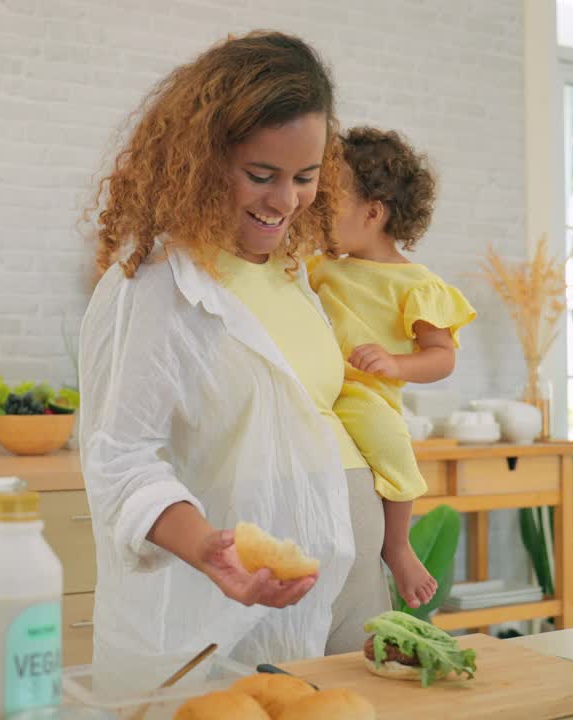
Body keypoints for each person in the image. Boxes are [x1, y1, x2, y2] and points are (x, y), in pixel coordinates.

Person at [78, 31, 373, 684]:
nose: (285, 202)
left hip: (327, 605)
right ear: (204, 160)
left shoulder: (293, 270)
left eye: (305, 177)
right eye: (261, 176)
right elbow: (119, 456)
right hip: (214, 623)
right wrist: (205, 548)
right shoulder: (159, 283)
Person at [308, 126, 477, 617]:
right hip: (321, 388)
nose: (316, 210)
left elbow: (442, 356)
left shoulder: (416, 284)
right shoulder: (322, 267)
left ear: (373, 212)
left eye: (328, 201)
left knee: (391, 445)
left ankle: (397, 546)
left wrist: (395, 363)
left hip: (366, 394)